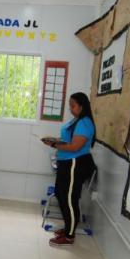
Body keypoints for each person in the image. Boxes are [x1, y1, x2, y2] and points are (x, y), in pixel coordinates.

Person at [42, 93, 97, 247]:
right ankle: (68, 228)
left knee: (69, 199)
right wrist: (55, 140)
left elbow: (75, 147)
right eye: (70, 105)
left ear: (82, 106)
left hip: (75, 163)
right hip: (66, 162)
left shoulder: (85, 123)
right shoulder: (76, 120)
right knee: (60, 194)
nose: (70, 108)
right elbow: (68, 140)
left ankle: (69, 236)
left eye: (73, 105)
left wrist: (53, 145)